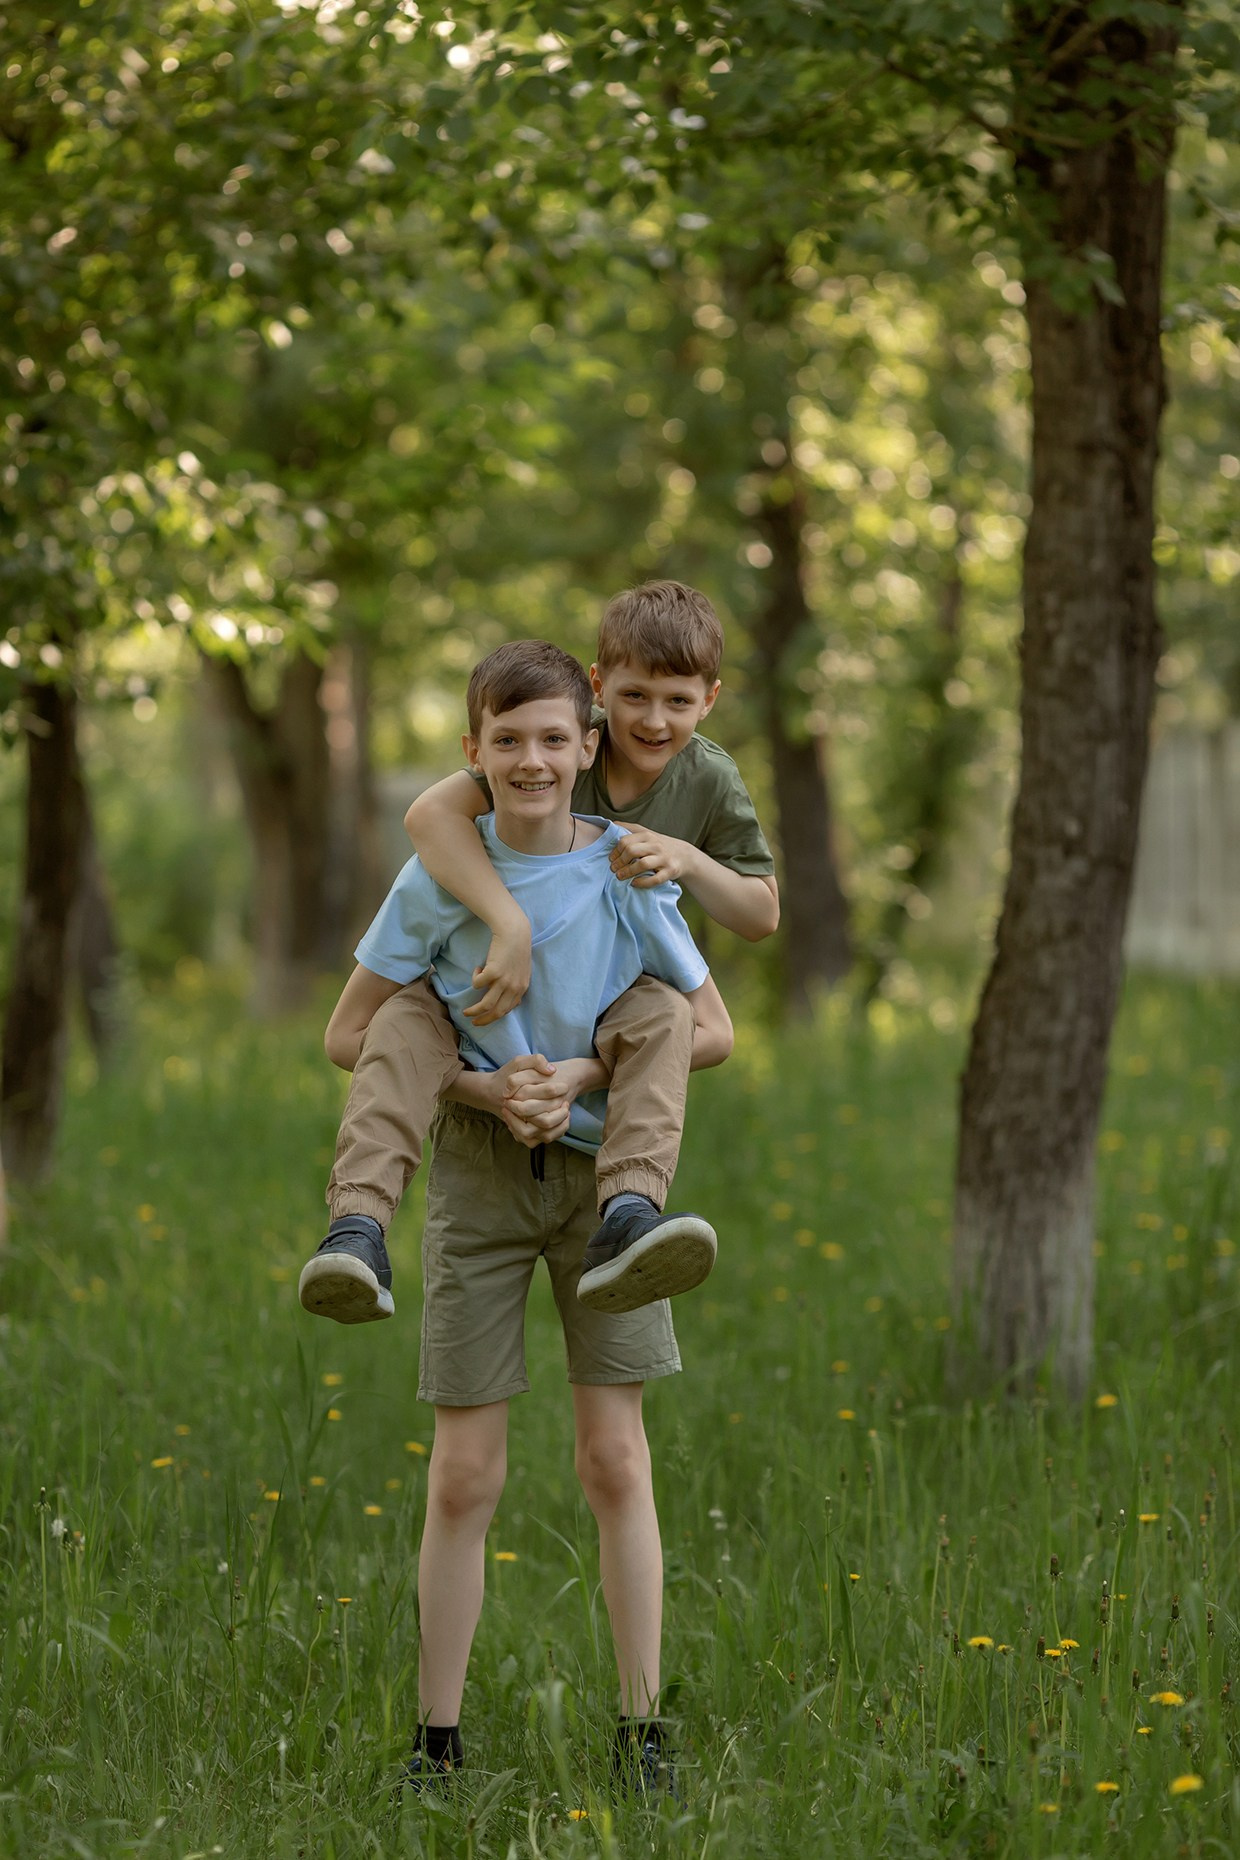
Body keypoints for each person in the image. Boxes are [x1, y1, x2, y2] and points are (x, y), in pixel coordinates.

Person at [310, 639, 732, 1794]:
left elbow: (711, 1029)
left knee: (612, 1460)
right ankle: (434, 1744)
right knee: (464, 1476)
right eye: (508, 741)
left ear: (588, 748)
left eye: (555, 739)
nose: (533, 760)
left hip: (602, 1187)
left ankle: (642, 1731)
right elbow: (347, 1035)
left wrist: (582, 1074)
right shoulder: (439, 878)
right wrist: (483, 1085)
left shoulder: (620, 869)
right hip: (481, 1178)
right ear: (473, 756)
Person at [299, 580, 777, 1324]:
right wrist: (507, 924)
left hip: (607, 994)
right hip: (486, 1017)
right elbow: (430, 815)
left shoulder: (693, 789)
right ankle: (356, 1229)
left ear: (709, 699)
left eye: (678, 702)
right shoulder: (544, 745)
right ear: (598, 694)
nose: (653, 720)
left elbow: (758, 917)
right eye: (634, 697)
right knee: (405, 1016)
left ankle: (630, 1212)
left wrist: (684, 857)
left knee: (659, 1009)